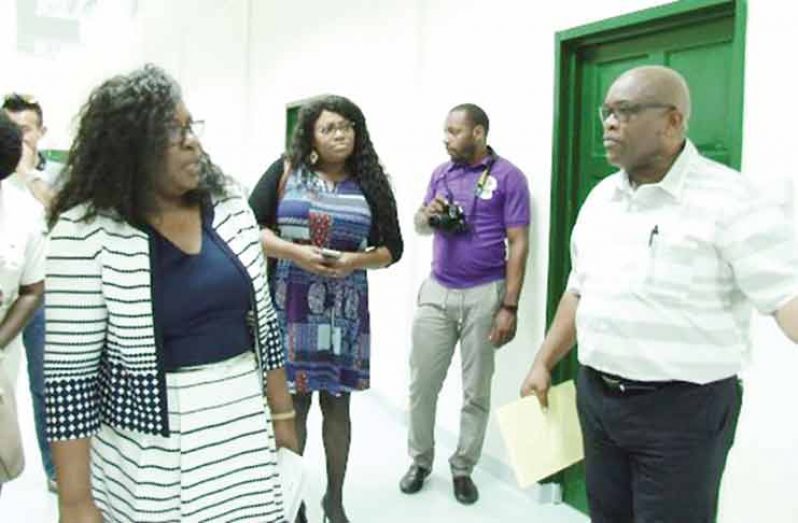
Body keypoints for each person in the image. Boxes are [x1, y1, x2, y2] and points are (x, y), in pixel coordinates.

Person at [520, 65, 798, 523]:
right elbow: (579, 291)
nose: (609, 123)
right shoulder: (601, 200)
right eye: (606, 112)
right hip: (598, 400)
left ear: (673, 122)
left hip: (683, 415)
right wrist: (542, 361)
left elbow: (785, 296)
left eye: (625, 111)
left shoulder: (732, 199)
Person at [44, 65, 297, 523]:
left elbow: (265, 323)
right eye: (173, 132)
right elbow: (69, 379)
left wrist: (284, 421)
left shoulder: (230, 208)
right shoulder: (84, 232)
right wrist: (76, 501)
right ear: (129, 149)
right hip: (150, 452)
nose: (192, 142)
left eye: (190, 127)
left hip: (241, 431)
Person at [249, 95, 403, 523]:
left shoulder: (370, 180)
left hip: (345, 309)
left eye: (348, 126)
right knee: (293, 406)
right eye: (330, 128)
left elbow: (394, 248)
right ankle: (293, 501)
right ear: (311, 136)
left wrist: (355, 260)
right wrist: (293, 253)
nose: (341, 135)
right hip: (291, 304)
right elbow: (250, 226)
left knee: (338, 407)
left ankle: (334, 499)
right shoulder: (285, 171)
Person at [400, 103, 531, 505]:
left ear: (478, 133)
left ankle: (463, 467)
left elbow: (519, 242)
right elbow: (420, 226)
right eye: (445, 130)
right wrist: (429, 213)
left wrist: (509, 306)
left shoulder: (509, 177)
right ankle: (420, 460)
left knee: (475, 390)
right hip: (438, 291)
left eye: (454, 130)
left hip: (484, 295)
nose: (446, 137)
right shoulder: (442, 173)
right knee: (422, 384)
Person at [2, 93, 57, 491]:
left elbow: (33, 288)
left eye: (25, 130)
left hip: (39, 300)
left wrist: (30, 177)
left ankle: (54, 469)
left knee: (43, 384)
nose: (19, 138)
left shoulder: (48, 183)